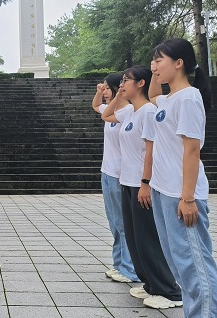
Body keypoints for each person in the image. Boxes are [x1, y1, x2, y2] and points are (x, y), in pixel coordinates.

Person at [148, 38, 217, 317]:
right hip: (163, 190)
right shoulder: (168, 99)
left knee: (194, 265)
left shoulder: (189, 98)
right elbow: (153, 96)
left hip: (182, 194)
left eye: (160, 60)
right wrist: (154, 69)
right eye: (153, 61)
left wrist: (188, 198)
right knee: (179, 264)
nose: (154, 66)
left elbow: (192, 150)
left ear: (179, 64)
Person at [102, 66, 183, 310]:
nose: (122, 84)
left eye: (127, 81)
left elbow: (150, 151)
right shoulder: (130, 113)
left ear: (141, 84)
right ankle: (150, 284)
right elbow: (106, 115)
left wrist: (145, 184)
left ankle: (169, 291)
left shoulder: (148, 111)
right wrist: (117, 96)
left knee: (148, 239)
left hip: (141, 185)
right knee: (136, 238)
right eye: (122, 80)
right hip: (126, 182)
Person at [92, 73, 138, 283]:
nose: (107, 93)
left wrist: (117, 97)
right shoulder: (113, 111)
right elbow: (96, 108)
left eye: (109, 89)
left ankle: (129, 268)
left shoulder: (128, 112)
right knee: (114, 222)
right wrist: (99, 93)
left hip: (121, 175)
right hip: (107, 173)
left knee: (122, 223)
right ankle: (119, 263)